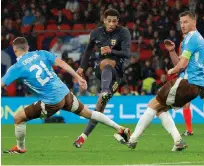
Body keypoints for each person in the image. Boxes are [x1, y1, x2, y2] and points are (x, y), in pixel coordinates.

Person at [1, 37, 130, 154]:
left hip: (51, 101)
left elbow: (2, 84)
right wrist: (78, 78)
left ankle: (20, 147)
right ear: (28, 47)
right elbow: (62, 64)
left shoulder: (15, 68)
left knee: (18, 118)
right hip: (65, 93)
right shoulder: (41, 53)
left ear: (14, 49)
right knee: (89, 113)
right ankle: (120, 128)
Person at [119, 11, 204, 151]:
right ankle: (178, 141)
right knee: (160, 109)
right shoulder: (193, 39)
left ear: (194, 22)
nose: (182, 25)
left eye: (186, 22)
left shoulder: (192, 38)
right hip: (194, 86)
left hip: (187, 82)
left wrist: (172, 70)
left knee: (152, 104)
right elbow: (181, 63)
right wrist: (172, 51)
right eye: (181, 22)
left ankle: (133, 139)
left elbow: (181, 65)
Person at [73, 8, 131, 148]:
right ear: (104, 20)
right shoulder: (96, 33)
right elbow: (88, 51)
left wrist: (112, 50)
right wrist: (81, 67)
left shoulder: (123, 32)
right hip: (102, 70)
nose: (112, 24)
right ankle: (104, 91)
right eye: (109, 21)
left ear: (118, 22)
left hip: (118, 75)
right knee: (106, 63)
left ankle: (84, 136)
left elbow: (127, 54)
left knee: (99, 108)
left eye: (114, 21)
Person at [165, 39, 204, 136]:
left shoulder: (201, 45)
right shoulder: (183, 45)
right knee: (186, 105)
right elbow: (180, 63)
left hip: (202, 78)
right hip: (189, 78)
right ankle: (189, 130)